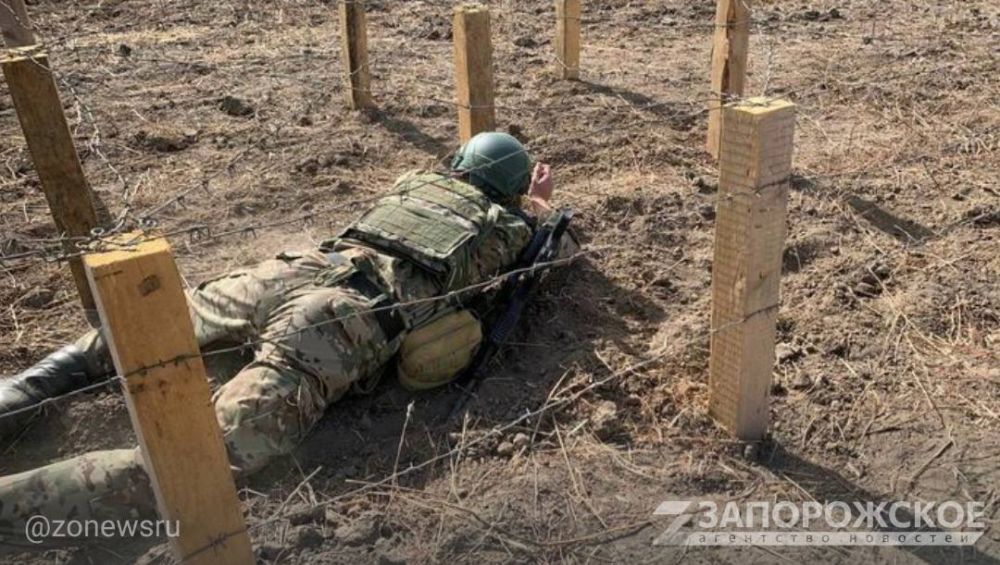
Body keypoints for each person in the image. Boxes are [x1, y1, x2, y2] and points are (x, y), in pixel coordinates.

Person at [0, 132, 572, 539]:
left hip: (294, 269)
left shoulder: (416, 181)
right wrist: (537, 207)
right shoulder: (509, 226)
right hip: (342, 316)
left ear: (456, 164)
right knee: (207, 460)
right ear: (513, 190)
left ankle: (24, 392)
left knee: (142, 331)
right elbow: (550, 252)